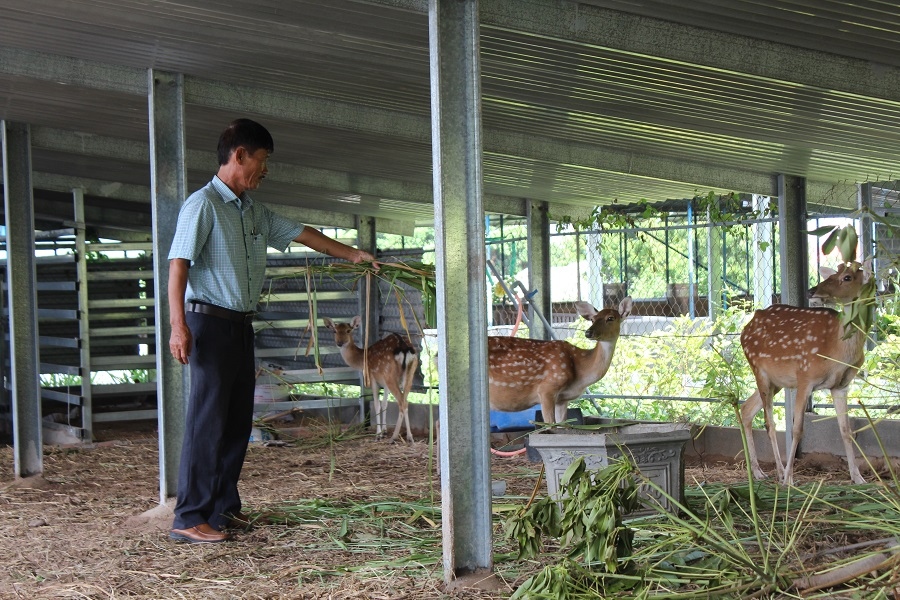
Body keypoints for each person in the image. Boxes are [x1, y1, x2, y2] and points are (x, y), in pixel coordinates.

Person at [167, 118, 377, 543]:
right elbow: (178, 265)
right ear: (239, 155)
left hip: (241, 325)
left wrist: (353, 254)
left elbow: (303, 233)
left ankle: (223, 508)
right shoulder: (202, 205)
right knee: (208, 422)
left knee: (237, 421)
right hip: (208, 322)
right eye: (261, 161)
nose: (265, 170)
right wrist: (178, 326)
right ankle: (189, 516)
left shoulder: (253, 211)